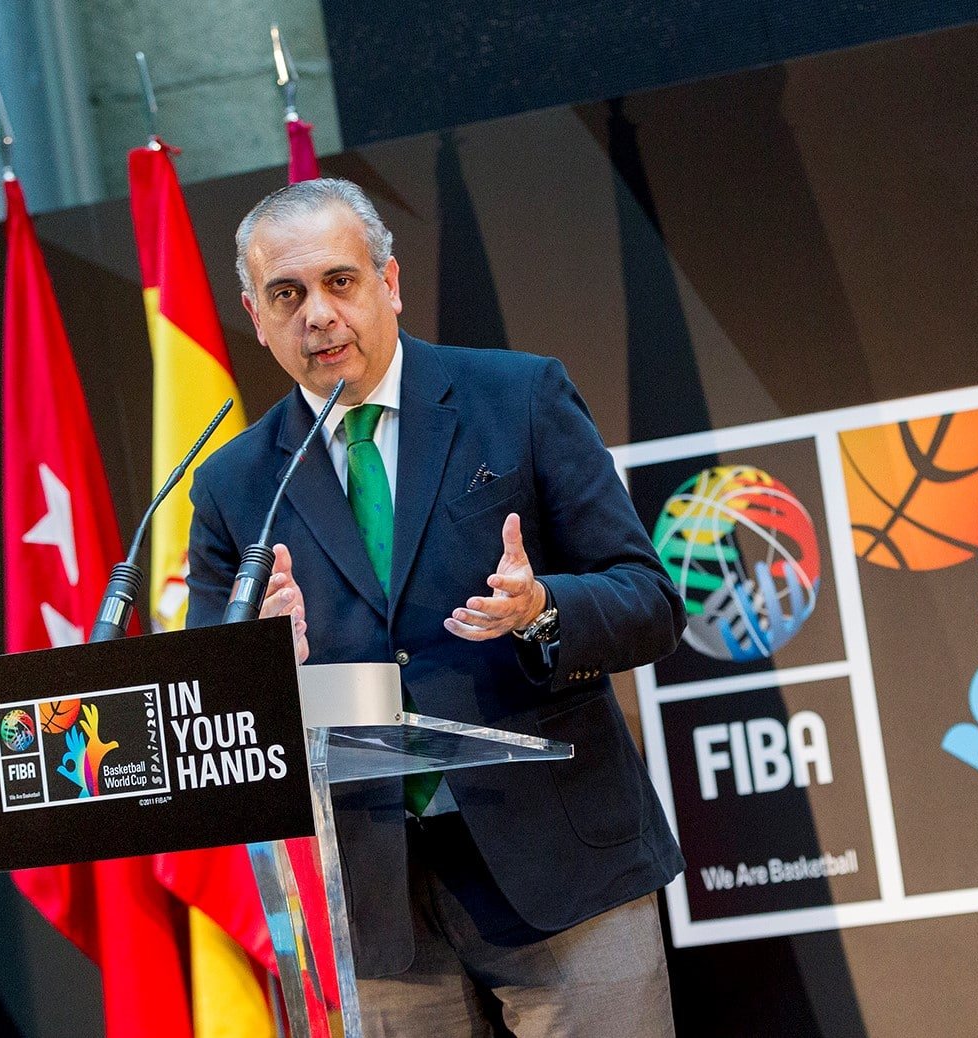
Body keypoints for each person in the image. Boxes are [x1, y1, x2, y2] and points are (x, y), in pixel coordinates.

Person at [186, 177, 686, 1036]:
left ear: (390, 281)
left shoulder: (517, 398)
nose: (318, 314)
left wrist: (538, 608)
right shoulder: (234, 485)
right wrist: (263, 664)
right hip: (379, 910)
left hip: (560, 869)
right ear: (255, 313)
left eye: (340, 282)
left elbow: (647, 599)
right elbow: (208, 714)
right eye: (287, 294)